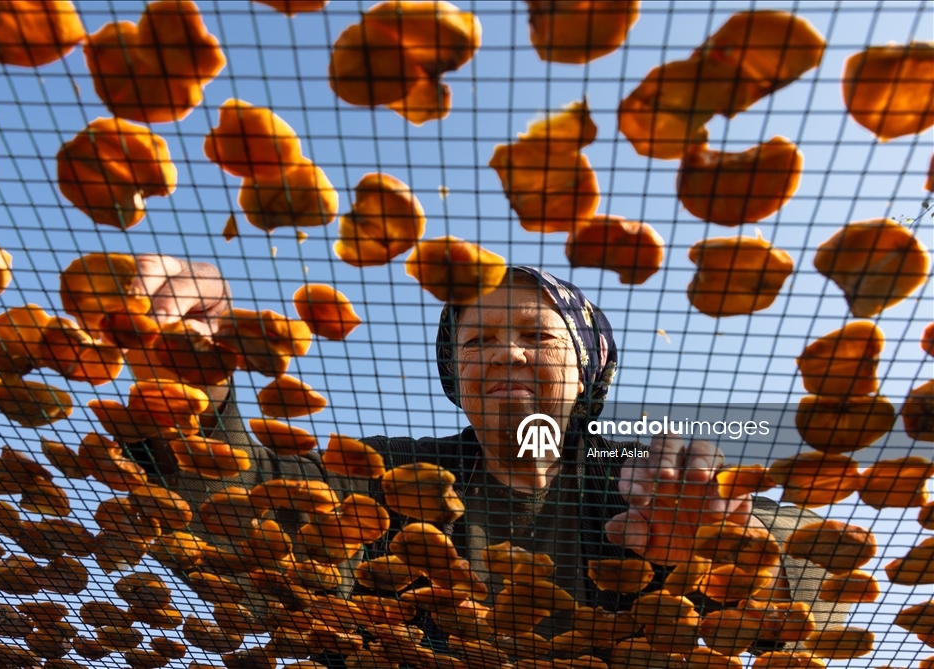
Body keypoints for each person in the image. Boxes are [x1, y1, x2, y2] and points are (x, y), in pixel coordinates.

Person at [122, 256, 847, 664]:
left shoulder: (641, 476)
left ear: (591, 373)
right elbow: (241, 522)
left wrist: (733, 547)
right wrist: (195, 389)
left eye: (537, 335)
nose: (504, 353)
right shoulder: (391, 479)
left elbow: (829, 584)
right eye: (476, 343)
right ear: (457, 382)